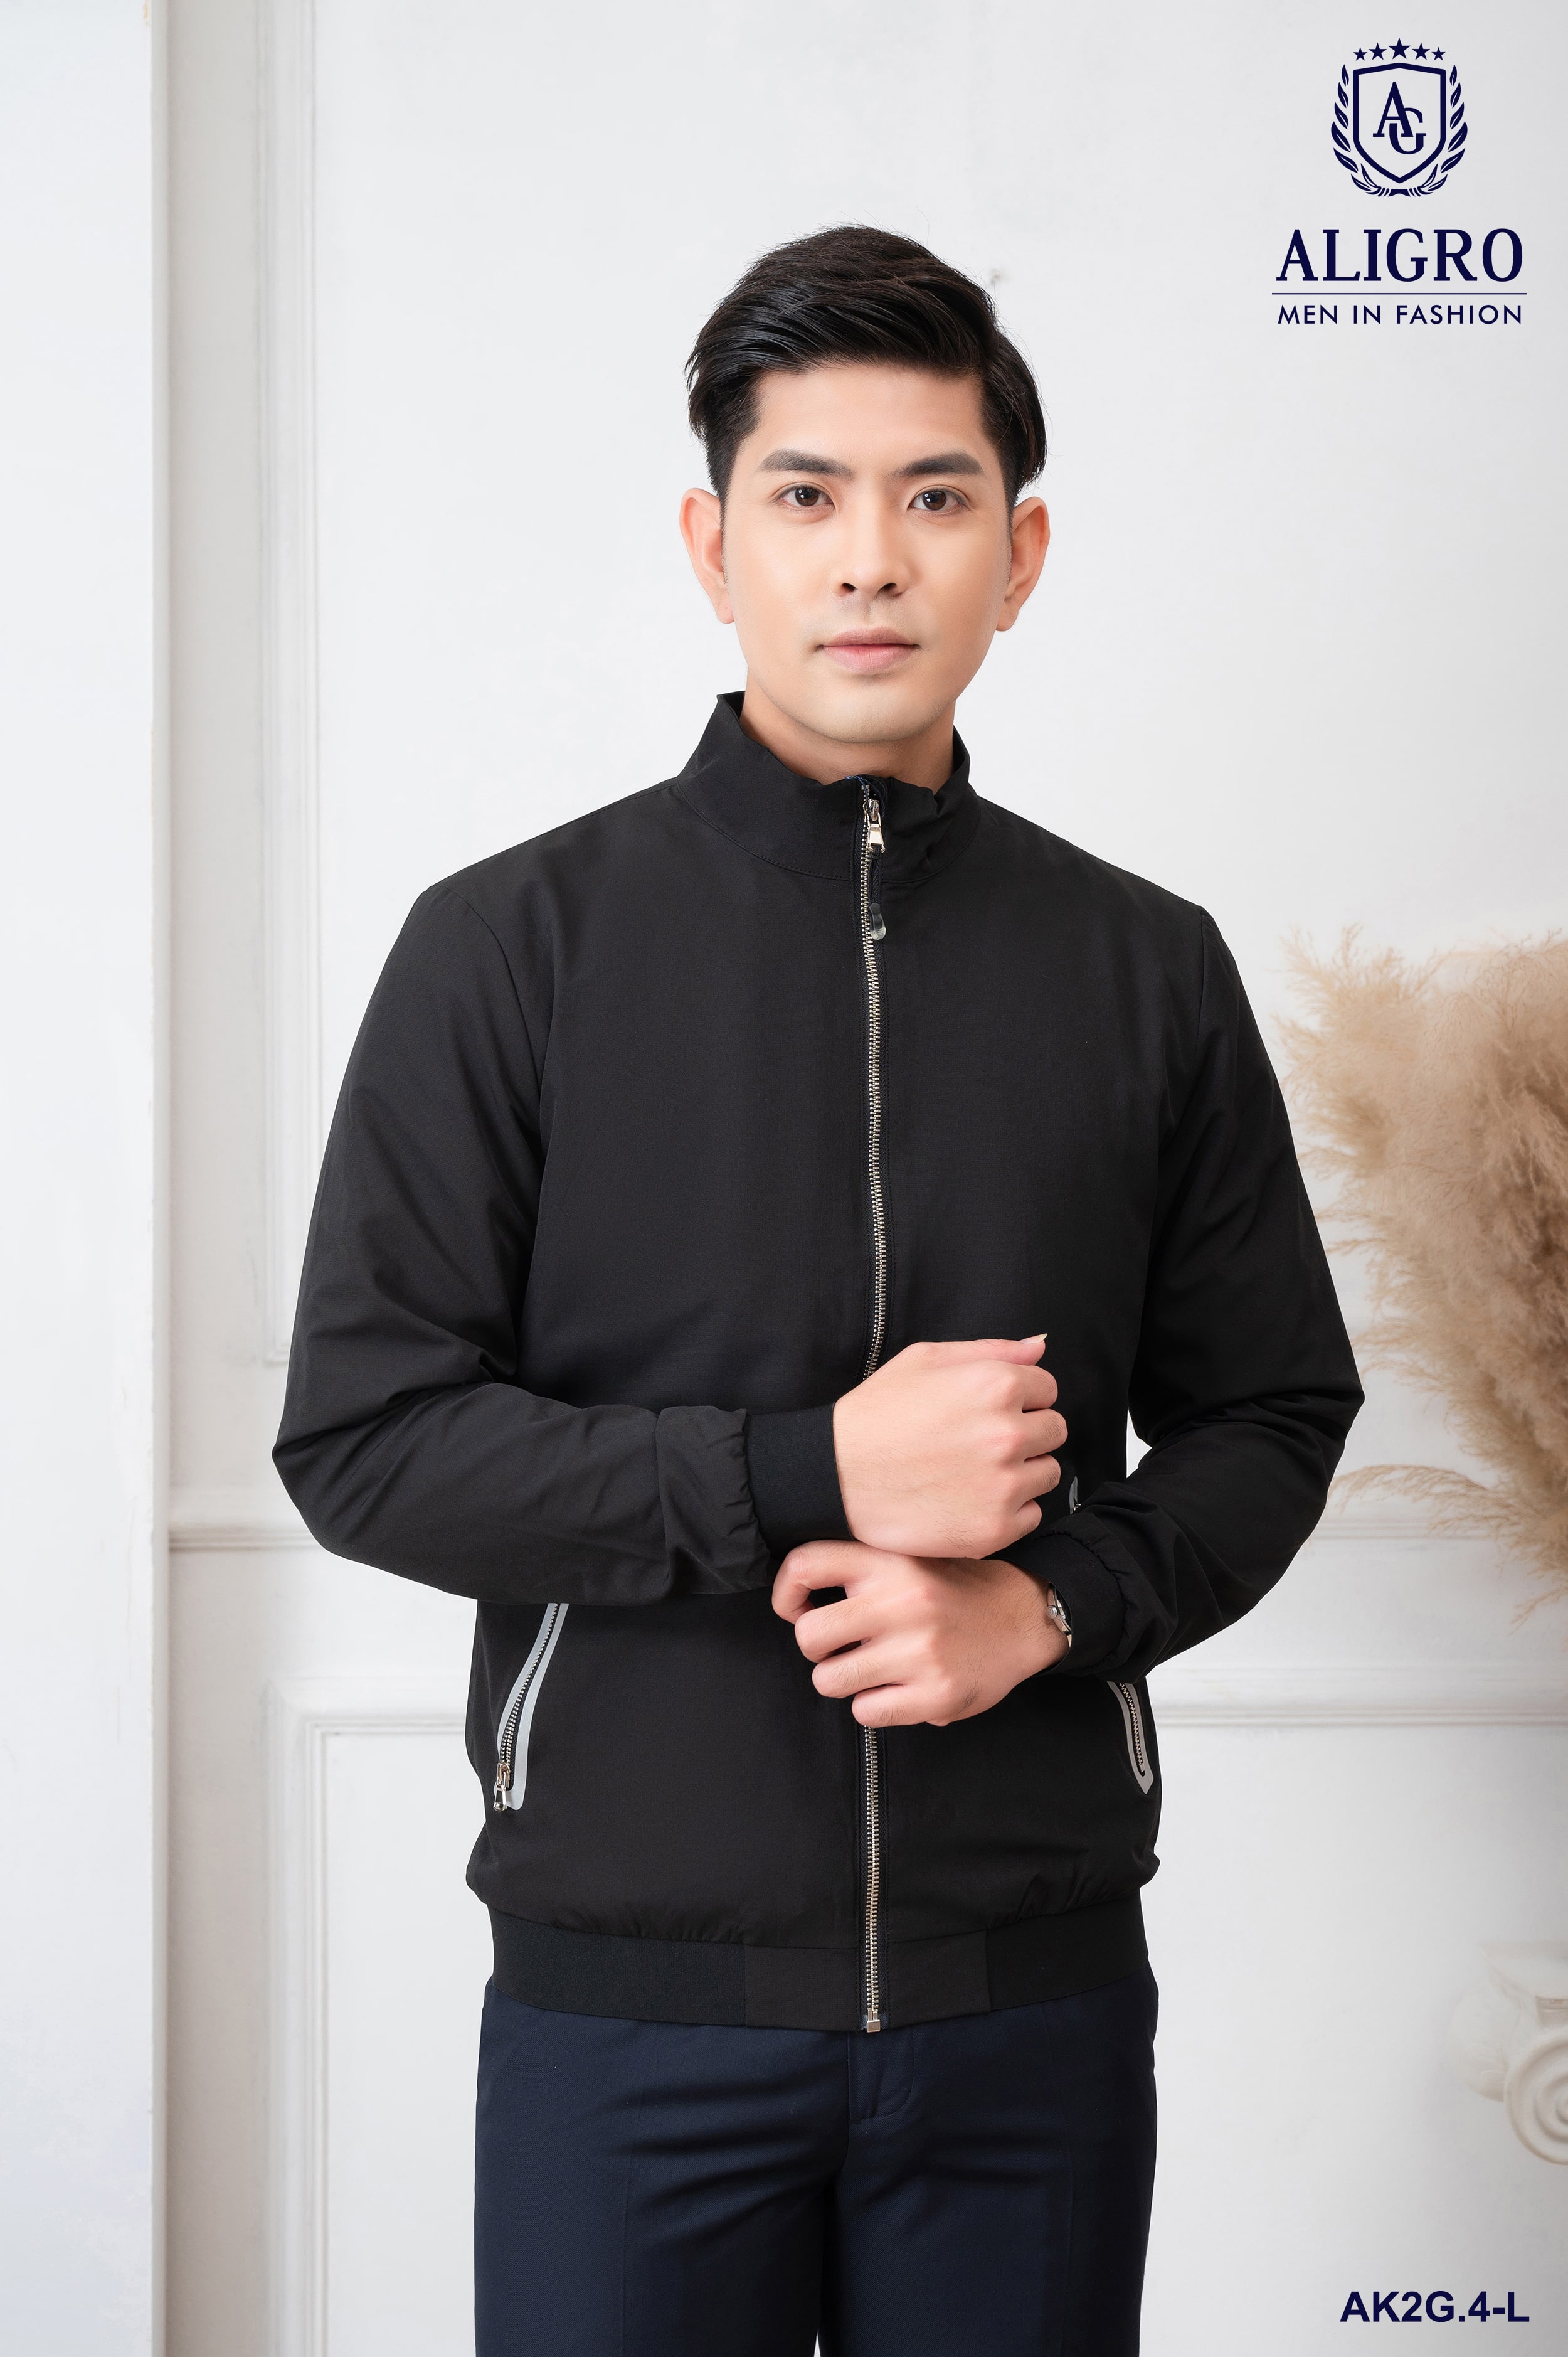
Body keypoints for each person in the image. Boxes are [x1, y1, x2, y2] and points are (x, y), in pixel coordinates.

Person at [273, 225, 1362, 2356]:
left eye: (934, 496)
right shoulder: (510, 948)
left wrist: (1046, 1610)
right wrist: (809, 1472)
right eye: (806, 496)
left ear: (1017, 555)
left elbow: (1272, 1416)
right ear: (715, 547)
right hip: (629, 2027)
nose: (870, 558)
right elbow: (366, 1442)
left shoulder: (1145, 967)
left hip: (1029, 2016)